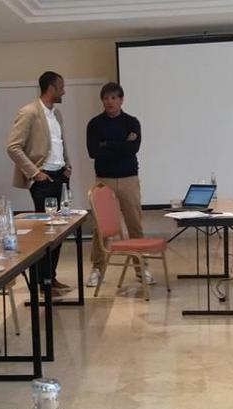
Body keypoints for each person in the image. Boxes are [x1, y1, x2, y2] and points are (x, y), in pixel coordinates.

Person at [6, 71, 72, 295]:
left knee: (60, 230)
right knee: (45, 233)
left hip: (60, 176)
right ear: (51, 88)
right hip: (43, 179)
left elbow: (59, 143)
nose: (64, 91)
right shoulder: (29, 112)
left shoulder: (57, 114)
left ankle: (51, 278)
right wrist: (35, 173)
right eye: (61, 87)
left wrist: (68, 164)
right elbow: (13, 147)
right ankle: (41, 283)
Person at [85, 82, 153, 287]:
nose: (109, 102)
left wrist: (107, 144)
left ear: (121, 100)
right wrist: (121, 144)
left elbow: (133, 148)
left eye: (114, 98)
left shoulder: (132, 122)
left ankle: (142, 269)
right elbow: (93, 152)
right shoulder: (95, 124)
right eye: (106, 98)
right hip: (103, 180)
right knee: (100, 227)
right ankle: (97, 268)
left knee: (134, 224)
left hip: (128, 179)